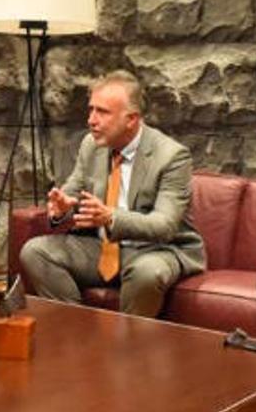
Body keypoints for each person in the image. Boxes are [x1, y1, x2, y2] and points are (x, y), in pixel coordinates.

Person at [19, 71, 205, 317]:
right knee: (35, 252)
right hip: (103, 246)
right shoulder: (91, 145)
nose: (91, 120)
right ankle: (79, 336)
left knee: (147, 272)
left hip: (158, 249)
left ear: (132, 119)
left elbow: (165, 225)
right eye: (91, 110)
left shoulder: (171, 156)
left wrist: (110, 218)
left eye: (102, 112)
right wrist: (63, 208)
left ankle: (127, 350)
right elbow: (72, 192)